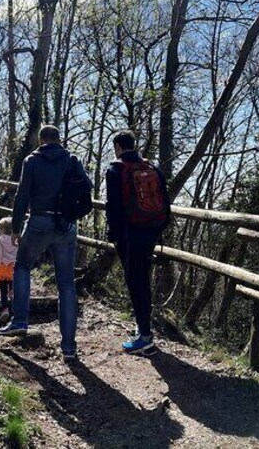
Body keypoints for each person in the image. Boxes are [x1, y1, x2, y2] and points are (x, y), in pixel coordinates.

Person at [0, 125, 91, 363]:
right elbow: (86, 188)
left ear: (40, 140)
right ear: (59, 140)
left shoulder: (32, 160)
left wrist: (16, 228)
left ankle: (19, 320)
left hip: (39, 219)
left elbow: (22, 196)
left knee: (22, 267)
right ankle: (69, 348)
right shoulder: (72, 159)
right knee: (66, 285)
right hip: (66, 225)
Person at [105, 130, 170, 355]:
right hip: (150, 231)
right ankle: (143, 329)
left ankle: (145, 337)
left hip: (129, 234)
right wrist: (157, 228)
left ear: (118, 147)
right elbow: (166, 203)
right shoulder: (152, 168)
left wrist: (114, 235)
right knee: (143, 279)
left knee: (136, 282)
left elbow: (112, 208)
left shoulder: (115, 169)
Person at [0, 217, 17, 324]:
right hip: (13, 267)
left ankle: (5, 309)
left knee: (3, 289)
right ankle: (14, 307)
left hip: (2, 268)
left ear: (1, 229)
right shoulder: (15, 240)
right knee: (13, 288)